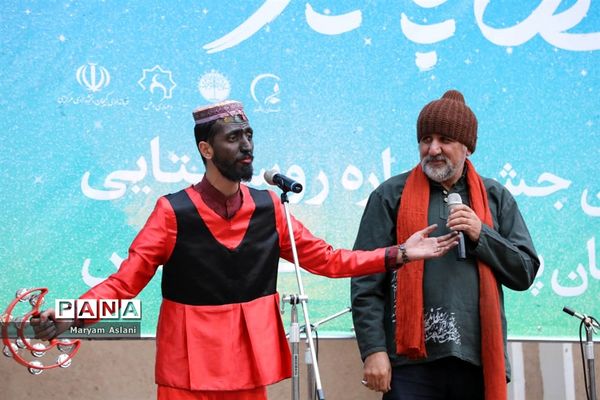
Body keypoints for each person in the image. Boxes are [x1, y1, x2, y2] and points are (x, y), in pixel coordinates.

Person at [32, 100, 458, 400]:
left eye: (249, 135)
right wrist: (72, 313)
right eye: (234, 137)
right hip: (187, 370)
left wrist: (400, 253)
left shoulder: (270, 206)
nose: (247, 145)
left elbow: (329, 260)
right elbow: (125, 282)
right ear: (206, 149)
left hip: (246, 365)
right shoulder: (172, 212)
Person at [350, 90, 540, 400]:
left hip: (476, 360)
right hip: (409, 364)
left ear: (467, 147)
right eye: (426, 139)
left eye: (445, 140)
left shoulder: (495, 197)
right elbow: (365, 278)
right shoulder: (390, 195)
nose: (433, 149)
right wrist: (373, 350)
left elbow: (525, 271)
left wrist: (481, 234)